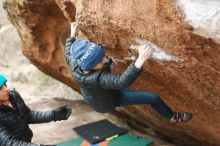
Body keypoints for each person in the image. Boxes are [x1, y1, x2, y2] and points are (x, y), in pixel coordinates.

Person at [64, 22, 192, 123]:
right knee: (153, 98)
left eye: (101, 57)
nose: (104, 60)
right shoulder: (98, 79)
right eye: (99, 61)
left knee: (118, 81)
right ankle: (172, 117)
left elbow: (68, 52)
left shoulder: (75, 62)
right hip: (109, 102)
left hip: (95, 96)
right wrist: (140, 59)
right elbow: (121, 82)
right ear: (90, 66)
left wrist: (72, 35)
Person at [0, 74, 72, 146]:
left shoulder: (14, 96)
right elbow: (8, 143)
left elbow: (28, 115)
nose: (6, 89)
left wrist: (54, 115)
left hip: (26, 141)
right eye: (0, 88)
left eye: (5, 84)